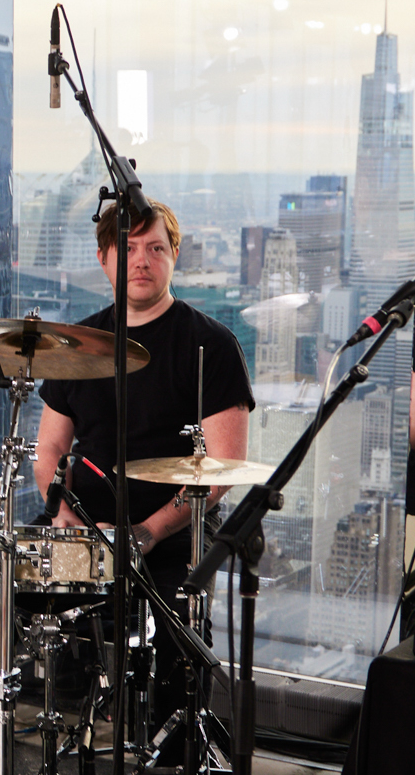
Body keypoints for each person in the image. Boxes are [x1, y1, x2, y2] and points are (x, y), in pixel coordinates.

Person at [31, 200, 252, 600]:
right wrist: (61, 513)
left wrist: (147, 532)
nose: (142, 261)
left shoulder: (213, 345)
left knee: (164, 637)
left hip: (174, 532)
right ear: (103, 259)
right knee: (2, 599)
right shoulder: (78, 344)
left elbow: (222, 467)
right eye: (129, 248)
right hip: (85, 523)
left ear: (174, 256)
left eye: (156, 248)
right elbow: (49, 448)